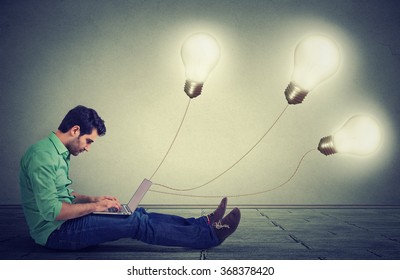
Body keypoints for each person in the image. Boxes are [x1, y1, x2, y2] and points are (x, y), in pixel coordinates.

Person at [19, 105, 241, 250]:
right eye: (89, 141)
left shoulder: (56, 152)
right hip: (55, 234)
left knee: (136, 212)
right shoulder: (43, 157)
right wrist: (97, 207)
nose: (88, 148)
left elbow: (62, 195)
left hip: (64, 223)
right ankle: (209, 236)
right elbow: (53, 211)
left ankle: (204, 223)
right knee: (134, 222)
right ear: (75, 130)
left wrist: (94, 200)